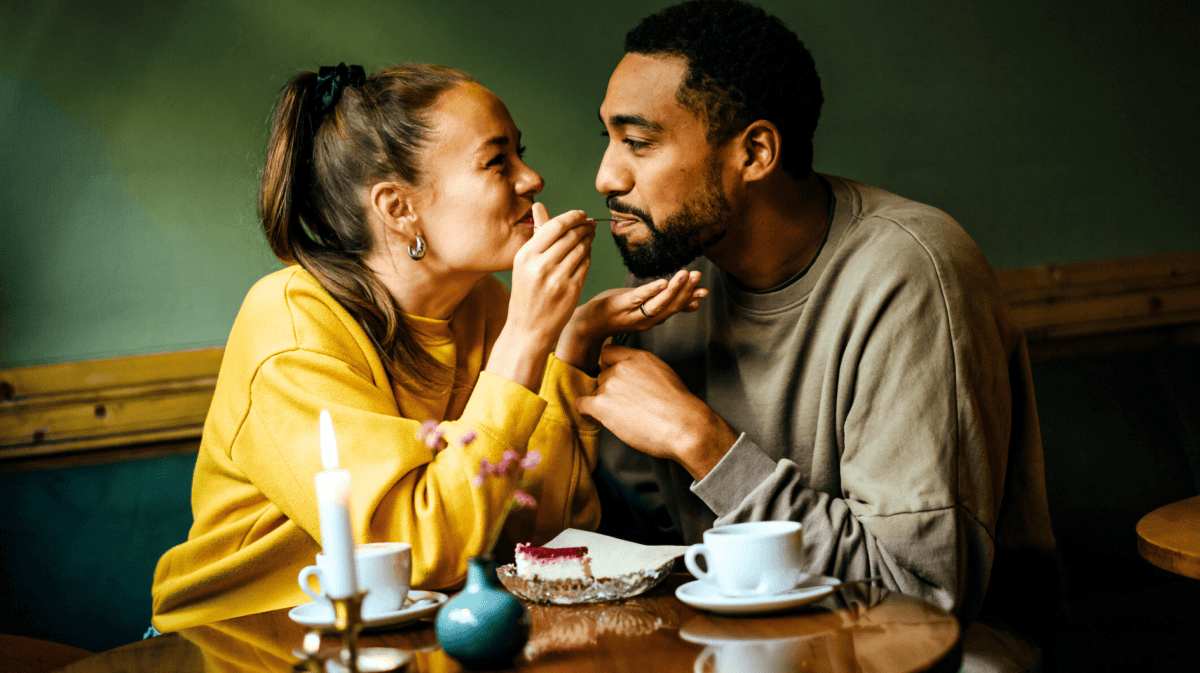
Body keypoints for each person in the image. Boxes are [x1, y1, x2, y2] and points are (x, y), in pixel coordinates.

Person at [575, 2, 1061, 671]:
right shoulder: (680, 278)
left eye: (638, 142)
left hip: (943, 648)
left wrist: (705, 444)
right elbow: (641, 541)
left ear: (755, 152)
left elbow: (918, 595)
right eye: (608, 139)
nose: (606, 176)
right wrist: (565, 352)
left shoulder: (912, 272)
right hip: (736, 637)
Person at [150, 62, 702, 632]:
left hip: (401, 637)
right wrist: (526, 338)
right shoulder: (291, 328)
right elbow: (415, 555)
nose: (531, 179)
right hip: (237, 641)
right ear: (398, 208)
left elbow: (542, 535)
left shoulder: (484, 305)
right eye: (497, 161)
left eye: (521, 153)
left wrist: (568, 345)